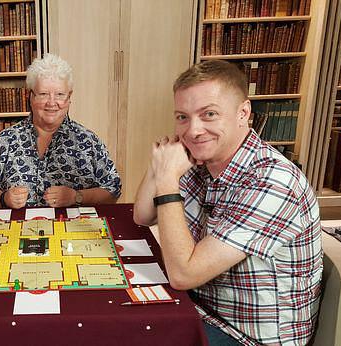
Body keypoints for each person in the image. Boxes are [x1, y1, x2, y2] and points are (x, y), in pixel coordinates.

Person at [133, 60, 322, 345]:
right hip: (204, 309)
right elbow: (142, 215)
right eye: (182, 117)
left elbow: (184, 274)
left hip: (245, 337)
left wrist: (167, 178)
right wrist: (161, 161)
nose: (194, 130)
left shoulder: (273, 181)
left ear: (243, 113)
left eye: (209, 114)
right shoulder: (201, 160)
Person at [0, 53, 121, 208]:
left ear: (69, 97)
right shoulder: (6, 139)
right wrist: (3, 198)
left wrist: (77, 196)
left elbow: (113, 190)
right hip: (18, 229)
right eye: (44, 94)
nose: (52, 103)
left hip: (74, 230)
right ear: (30, 96)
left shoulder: (89, 141)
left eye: (60, 94)